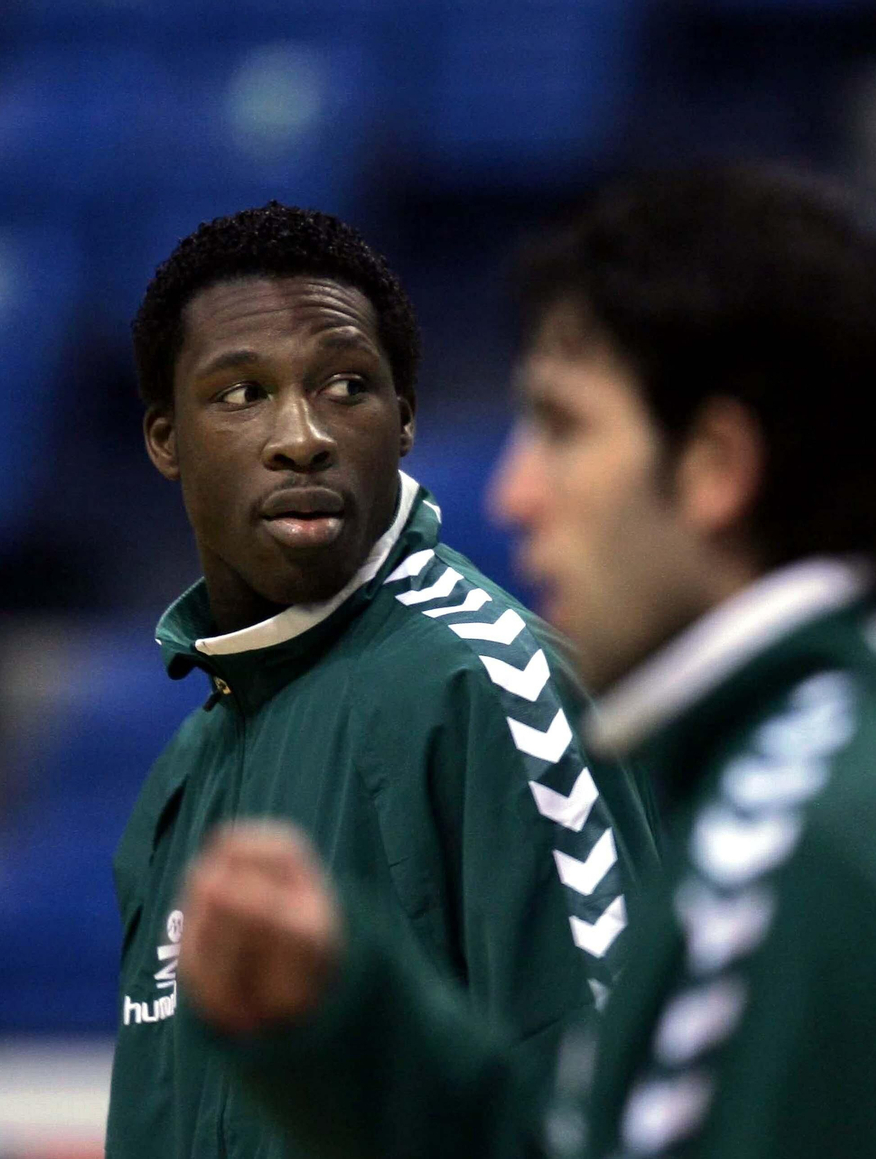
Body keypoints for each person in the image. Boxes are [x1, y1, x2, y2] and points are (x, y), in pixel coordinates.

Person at [176, 169, 876, 1158]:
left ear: (714, 466)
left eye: (563, 427)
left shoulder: (790, 858)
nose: (518, 493)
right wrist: (352, 1028)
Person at [105, 203, 658, 1159]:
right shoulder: (180, 779)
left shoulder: (491, 687)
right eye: (240, 394)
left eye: (348, 386)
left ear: (403, 422)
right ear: (165, 439)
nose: (302, 436)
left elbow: (618, 1117)